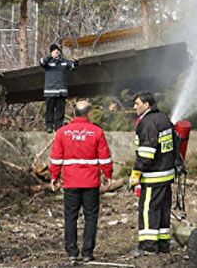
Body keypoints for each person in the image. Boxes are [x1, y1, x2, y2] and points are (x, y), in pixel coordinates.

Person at [49, 100, 113, 262]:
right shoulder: (97, 132)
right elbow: (105, 158)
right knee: (91, 216)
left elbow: (56, 158)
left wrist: (54, 177)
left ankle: (71, 252)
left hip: (71, 182)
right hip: (91, 182)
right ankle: (87, 252)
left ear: (74, 113)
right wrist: (108, 176)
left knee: (70, 216)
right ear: (89, 114)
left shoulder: (63, 132)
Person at [129, 91, 176, 256]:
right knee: (163, 210)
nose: (134, 107)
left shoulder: (148, 123)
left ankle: (148, 246)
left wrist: (136, 174)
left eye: (137, 104)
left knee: (148, 210)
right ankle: (163, 244)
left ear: (147, 104)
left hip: (153, 176)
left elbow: (147, 153)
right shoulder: (164, 119)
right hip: (167, 175)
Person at [40, 43, 78, 133]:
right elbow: (42, 62)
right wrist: (50, 56)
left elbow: (73, 66)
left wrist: (76, 61)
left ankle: (59, 126)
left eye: (57, 50)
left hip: (61, 91)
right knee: (50, 109)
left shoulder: (64, 61)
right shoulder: (47, 62)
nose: (56, 52)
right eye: (54, 50)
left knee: (60, 110)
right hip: (50, 91)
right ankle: (49, 126)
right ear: (51, 52)